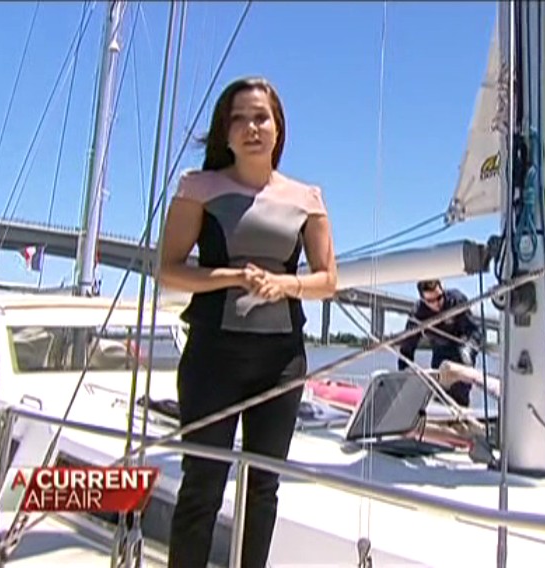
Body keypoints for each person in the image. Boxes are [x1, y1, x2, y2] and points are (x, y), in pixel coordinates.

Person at [158, 76, 338, 568]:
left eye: (261, 117)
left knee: (263, 488)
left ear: (278, 127)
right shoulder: (199, 188)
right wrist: (235, 276)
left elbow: (328, 280)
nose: (251, 127)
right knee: (203, 484)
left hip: (281, 361)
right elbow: (169, 271)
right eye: (238, 119)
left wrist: (286, 285)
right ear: (226, 131)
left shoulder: (308, 198)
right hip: (213, 356)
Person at [397, 279, 483, 407]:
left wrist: (470, 349)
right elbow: (406, 348)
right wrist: (404, 375)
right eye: (430, 301)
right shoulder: (418, 314)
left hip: (462, 349)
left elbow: (474, 331)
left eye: (439, 298)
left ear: (442, 290)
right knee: (439, 393)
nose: (437, 303)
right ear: (423, 300)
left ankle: (461, 412)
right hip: (440, 350)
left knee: (460, 393)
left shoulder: (456, 300)